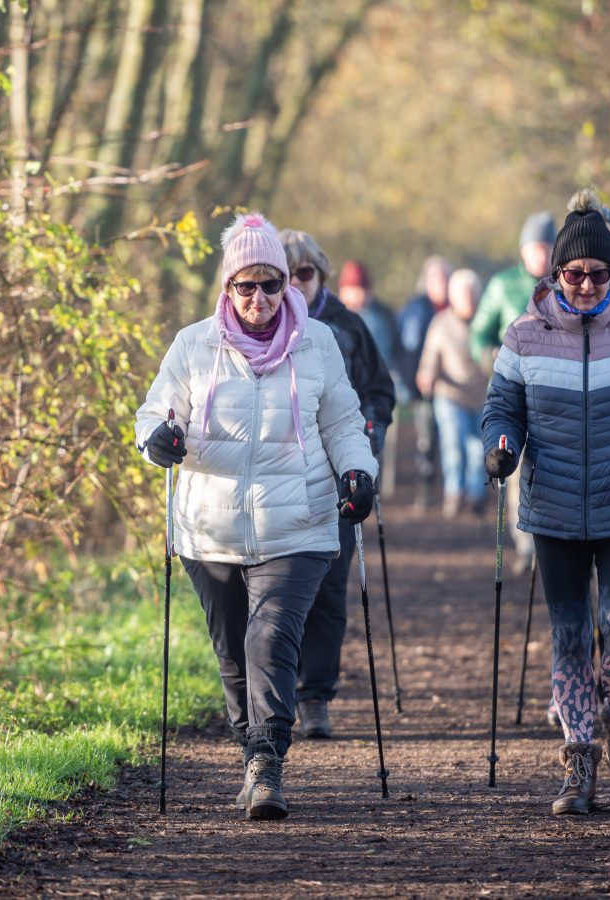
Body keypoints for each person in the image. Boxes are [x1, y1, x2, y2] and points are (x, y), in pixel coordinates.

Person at [135, 212, 378, 821]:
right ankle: (251, 748)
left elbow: (344, 422)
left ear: (287, 286)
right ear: (227, 288)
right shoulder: (194, 345)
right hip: (208, 528)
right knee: (231, 650)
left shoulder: (318, 343)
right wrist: (160, 439)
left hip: (298, 523)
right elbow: (155, 413)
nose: (259, 298)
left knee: (271, 637)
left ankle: (267, 762)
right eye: (246, 285)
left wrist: (358, 474)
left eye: (271, 284)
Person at [481, 188, 610, 817]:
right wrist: (501, 446)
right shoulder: (524, 334)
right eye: (573, 274)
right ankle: (579, 761)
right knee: (571, 636)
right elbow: (501, 409)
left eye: (598, 274)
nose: (585, 284)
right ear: (554, 274)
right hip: (553, 510)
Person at [279, 229, 397, 740]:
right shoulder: (262, 326)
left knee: (329, 589)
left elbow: (379, 391)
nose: (295, 284)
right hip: (280, 481)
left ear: (320, 275)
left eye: (304, 274)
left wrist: (371, 434)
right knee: (277, 593)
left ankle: (316, 696)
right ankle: (275, 695)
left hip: (339, 482)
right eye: (285, 276)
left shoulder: (347, 327)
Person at [471, 212, 556, 573]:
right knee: (517, 470)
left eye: (546, 248)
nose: (540, 255)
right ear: (523, 249)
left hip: (553, 393)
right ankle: (526, 546)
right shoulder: (502, 285)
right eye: (534, 248)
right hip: (512, 393)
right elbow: (479, 333)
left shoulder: (565, 285)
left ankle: (553, 542)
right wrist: (492, 356)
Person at [416, 269, 489, 519]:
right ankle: (454, 493)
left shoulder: (485, 321)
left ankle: (476, 496)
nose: (468, 300)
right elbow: (429, 359)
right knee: (453, 444)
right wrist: (427, 375)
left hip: (481, 395)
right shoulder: (441, 323)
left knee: (478, 448)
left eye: (472, 294)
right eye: (463, 295)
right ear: (453, 297)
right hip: (450, 395)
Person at [397, 256, 451, 506]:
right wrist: (413, 386)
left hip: (452, 388)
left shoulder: (457, 307)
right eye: (437, 279)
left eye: (445, 278)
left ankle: (452, 491)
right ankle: (425, 491)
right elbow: (408, 351)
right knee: (426, 440)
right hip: (425, 388)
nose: (441, 284)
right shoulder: (416, 310)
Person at [338, 260, 400, 385]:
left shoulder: (378, 319)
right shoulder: (331, 316)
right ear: (343, 290)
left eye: (362, 290)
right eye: (354, 290)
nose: (359, 296)